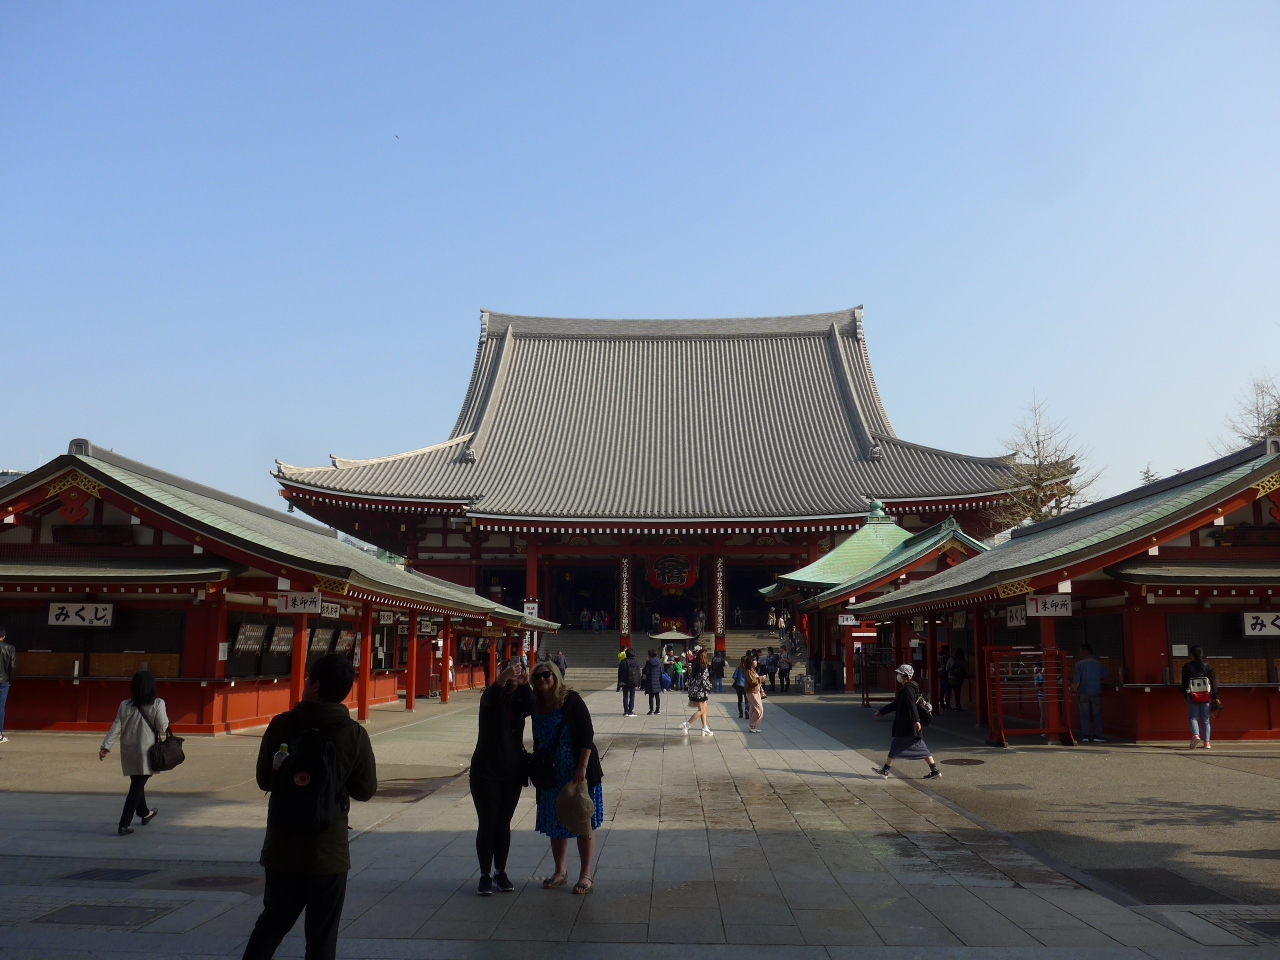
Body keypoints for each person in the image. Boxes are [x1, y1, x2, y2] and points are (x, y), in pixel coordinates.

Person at [242, 654, 376, 960]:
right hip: (328, 852)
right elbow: (366, 790)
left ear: (315, 686)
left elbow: (264, 780)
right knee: (321, 940)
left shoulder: (282, 725)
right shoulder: (353, 734)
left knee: (271, 925)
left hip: (282, 846)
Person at [530, 662, 602, 895]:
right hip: (550, 774)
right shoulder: (537, 704)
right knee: (555, 821)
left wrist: (582, 767)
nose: (542, 680)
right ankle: (560, 871)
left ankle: (586, 874)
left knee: (582, 818)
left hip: (576, 771)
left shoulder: (571, 700)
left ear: (555, 675)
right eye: (537, 677)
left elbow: (587, 734)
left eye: (546, 675)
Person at [470, 661, 534, 895]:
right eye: (511, 670)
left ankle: (500, 871)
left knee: (504, 822)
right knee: (488, 822)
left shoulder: (519, 701)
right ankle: (485, 874)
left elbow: (531, 706)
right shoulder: (491, 697)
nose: (515, 674)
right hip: (486, 770)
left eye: (519, 670)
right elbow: (491, 697)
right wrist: (501, 679)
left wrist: (525, 685)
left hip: (512, 770)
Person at [98, 670, 169, 835]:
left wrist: (106, 747)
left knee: (137, 782)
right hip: (147, 751)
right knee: (137, 785)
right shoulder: (157, 703)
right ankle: (124, 823)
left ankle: (144, 813)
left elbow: (116, 727)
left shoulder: (125, 705)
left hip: (129, 750)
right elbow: (162, 727)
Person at [873, 664, 940, 779]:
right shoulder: (910, 688)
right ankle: (934, 770)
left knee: (896, 745)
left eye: (900, 674)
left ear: (905, 676)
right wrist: (881, 712)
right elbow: (896, 704)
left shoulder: (907, 689)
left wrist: (916, 720)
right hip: (910, 725)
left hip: (907, 724)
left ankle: (885, 770)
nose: (898, 675)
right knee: (921, 747)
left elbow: (911, 705)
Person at [1182, 646, 1220, 749]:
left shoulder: (1187, 666)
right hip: (1206, 696)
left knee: (1193, 717)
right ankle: (1207, 742)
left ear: (1191, 654)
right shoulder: (1207, 667)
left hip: (1192, 695)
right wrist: (1214, 696)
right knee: (1205, 719)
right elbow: (1213, 682)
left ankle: (1196, 735)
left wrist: (1185, 695)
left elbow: (1184, 683)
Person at [1071, 644, 1107, 742]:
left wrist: (1074, 690)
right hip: (1096, 692)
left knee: (1084, 714)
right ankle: (1097, 736)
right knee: (1097, 714)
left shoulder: (1079, 664)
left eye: (1081, 651)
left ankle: (1085, 735)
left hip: (1083, 693)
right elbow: (1105, 676)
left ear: (1085, 651)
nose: (1080, 654)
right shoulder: (1099, 663)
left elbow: (1077, 681)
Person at [681, 649, 715, 737]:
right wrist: (710, 687)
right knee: (702, 710)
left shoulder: (695, 666)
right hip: (701, 691)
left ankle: (704, 727)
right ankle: (687, 724)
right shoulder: (703, 667)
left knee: (704, 708)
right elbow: (704, 680)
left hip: (694, 690)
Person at [744, 655, 765, 733]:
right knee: (759, 710)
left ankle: (754, 726)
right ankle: (752, 725)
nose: (756, 662)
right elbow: (752, 682)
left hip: (756, 691)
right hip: (752, 692)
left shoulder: (753, 670)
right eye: (754, 660)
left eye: (756, 660)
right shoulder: (749, 671)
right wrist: (760, 679)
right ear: (751, 662)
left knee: (753, 709)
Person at [0, 627, 14, 743]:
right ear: (4, 636)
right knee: (0, 707)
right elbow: (12, 666)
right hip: (3, 681)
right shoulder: (10, 648)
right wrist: (10, 680)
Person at [617, 648, 640, 717]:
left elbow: (620, 673)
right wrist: (639, 682)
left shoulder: (623, 662)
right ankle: (630, 711)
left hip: (624, 681)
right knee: (632, 696)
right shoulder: (636, 662)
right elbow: (638, 673)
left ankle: (626, 711)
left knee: (625, 696)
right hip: (633, 681)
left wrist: (619, 682)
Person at [643, 649, 664, 715]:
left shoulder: (649, 662)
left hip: (650, 680)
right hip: (658, 680)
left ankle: (651, 710)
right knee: (657, 695)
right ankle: (657, 710)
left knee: (651, 696)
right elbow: (661, 670)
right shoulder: (658, 661)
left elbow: (646, 671)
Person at [936, 644, 951, 711]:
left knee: (942, 690)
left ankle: (942, 704)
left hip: (940, 674)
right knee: (947, 690)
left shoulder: (938, 657)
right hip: (946, 674)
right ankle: (947, 705)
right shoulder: (946, 657)